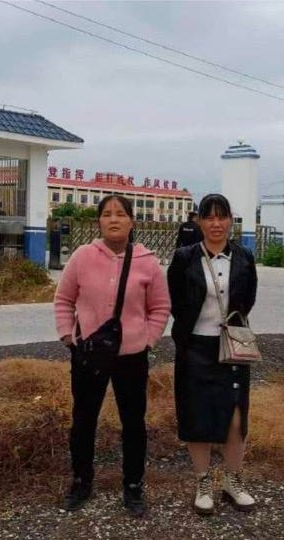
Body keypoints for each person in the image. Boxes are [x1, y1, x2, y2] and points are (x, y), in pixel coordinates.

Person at [54, 194, 171, 517]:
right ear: (99, 221)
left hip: (131, 356)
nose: (114, 219)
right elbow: (64, 299)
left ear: (132, 221)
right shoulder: (82, 257)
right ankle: (81, 482)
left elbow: (160, 307)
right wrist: (68, 336)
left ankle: (133, 486)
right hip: (88, 353)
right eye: (107, 214)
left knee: (133, 422)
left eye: (120, 214)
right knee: (84, 419)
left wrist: (147, 340)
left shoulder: (147, 262)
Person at [167, 193, 258, 515]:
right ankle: (203, 481)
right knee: (197, 415)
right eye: (209, 217)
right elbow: (177, 302)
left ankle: (233, 480)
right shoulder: (184, 258)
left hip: (231, 347)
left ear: (230, 221)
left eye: (222, 217)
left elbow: (247, 300)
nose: (216, 223)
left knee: (236, 416)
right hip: (195, 347)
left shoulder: (244, 257)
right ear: (199, 221)